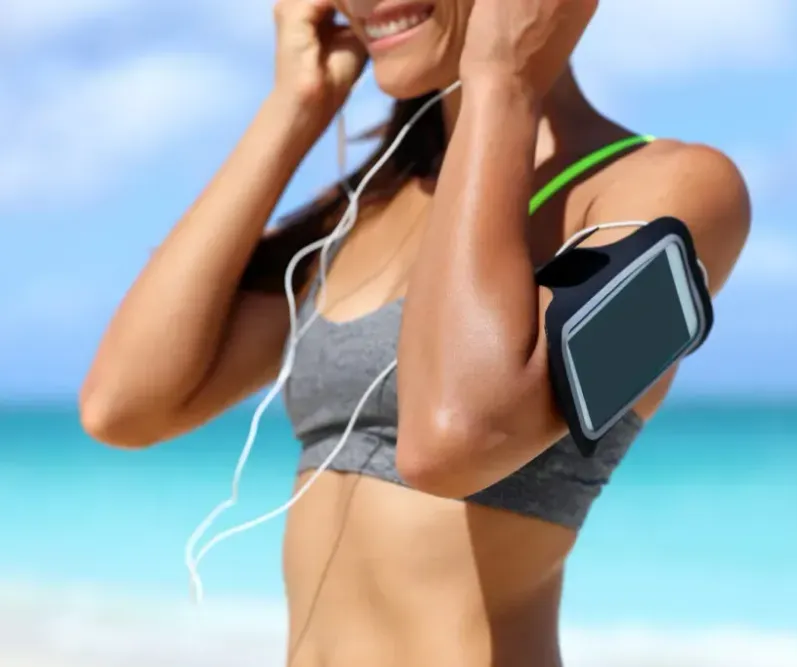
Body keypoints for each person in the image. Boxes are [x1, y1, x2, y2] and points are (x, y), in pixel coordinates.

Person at [80, 0, 751, 665]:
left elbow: (454, 441)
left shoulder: (677, 193)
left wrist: (503, 80)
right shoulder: (368, 208)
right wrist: (295, 108)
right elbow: (123, 405)